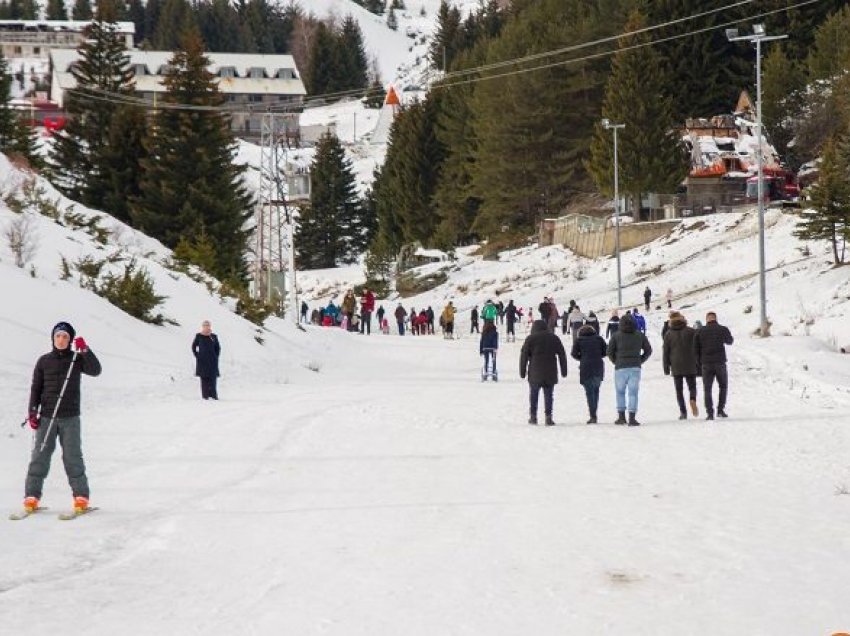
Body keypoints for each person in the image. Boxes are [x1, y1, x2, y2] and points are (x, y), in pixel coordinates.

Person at [22, 321, 102, 514]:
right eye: (58, 336)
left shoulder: (76, 359)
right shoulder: (43, 361)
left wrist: (85, 351)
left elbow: (96, 370)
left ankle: (81, 496)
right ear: (53, 338)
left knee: (72, 457)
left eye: (65, 336)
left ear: (70, 340)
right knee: (39, 456)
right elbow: (36, 388)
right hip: (47, 417)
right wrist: (33, 412)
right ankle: (32, 496)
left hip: (70, 417)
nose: (61, 339)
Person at [519, 320, 568, 426]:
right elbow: (562, 354)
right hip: (550, 372)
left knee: (533, 395)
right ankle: (548, 417)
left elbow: (524, 356)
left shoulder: (530, 339)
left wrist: (522, 372)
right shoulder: (554, 338)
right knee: (549, 395)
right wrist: (564, 371)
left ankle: (533, 417)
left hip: (535, 372)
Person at [607, 313, 652, 426]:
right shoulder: (639, 335)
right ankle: (632, 418)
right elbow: (648, 350)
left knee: (620, 392)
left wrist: (616, 361)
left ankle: (621, 417)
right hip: (635, 367)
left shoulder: (616, 336)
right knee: (633, 393)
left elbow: (609, 352)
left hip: (620, 367)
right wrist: (640, 360)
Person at [694, 311, 734, 420]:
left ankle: (710, 413)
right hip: (720, 362)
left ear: (706, 319)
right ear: (715, 318)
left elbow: (695, 349)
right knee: (723, 386)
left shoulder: (700, 331)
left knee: (707, 389)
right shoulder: (722, 329)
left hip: (706, 363)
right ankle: (720, 410)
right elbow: (730, 341)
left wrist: (699, 362)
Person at [662, 311, 699, 420]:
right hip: (690, 363)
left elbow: (666, 352)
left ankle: (683, 412)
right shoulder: (691, 331)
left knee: (679, 390)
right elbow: (697, 346)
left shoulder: (668, 334)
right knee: (692, 386)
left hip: (676, 365)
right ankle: (692, 399)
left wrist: (666, 368)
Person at [571, 324, 607, 424]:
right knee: (596, 391)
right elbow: (605, 352)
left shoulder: (579, 340)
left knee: (589, 392)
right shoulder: (599, 339)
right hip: (598, 367)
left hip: (585, 368)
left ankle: (593, 415)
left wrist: (582, 358)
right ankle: (594, 413)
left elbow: (573, 354)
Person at [192, 320, 221, 400]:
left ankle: (213, 396)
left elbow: (218, 347)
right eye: (205, 325)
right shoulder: (199, 336)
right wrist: (197, 355)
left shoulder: (214, 336)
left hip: (212, 361)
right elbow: (194, 346)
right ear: (202, 326)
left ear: (210, 326)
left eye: (208, 325)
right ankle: (205, 396)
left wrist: (216, 356)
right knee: (204, 379)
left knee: (213, 378)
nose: (206, 326)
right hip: (202, 361)